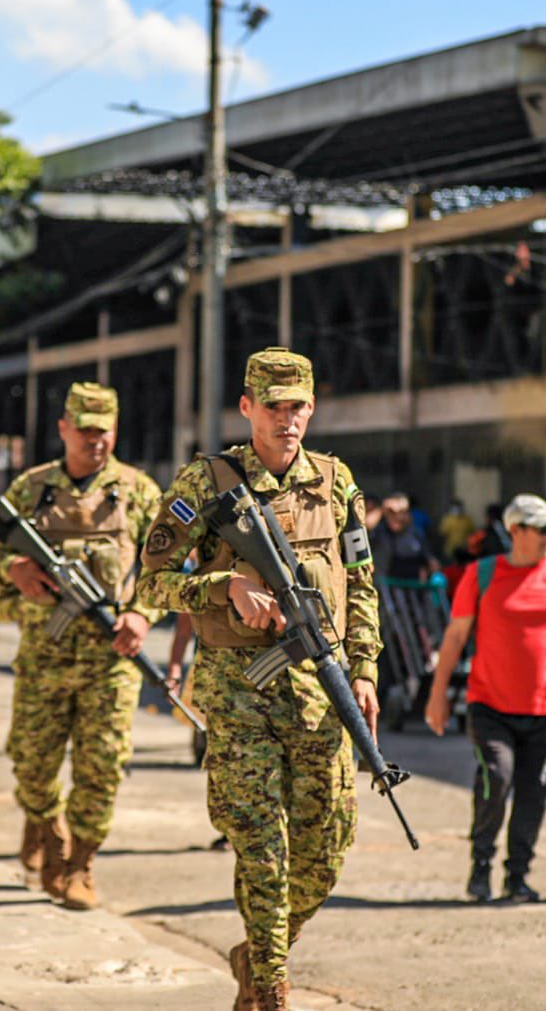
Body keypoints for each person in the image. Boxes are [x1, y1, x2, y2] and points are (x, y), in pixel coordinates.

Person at [137, 347, 380, 1011]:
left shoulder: (335, 481)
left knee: (324, 850)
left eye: (297, 404)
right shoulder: (205, 482)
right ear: (246, 408)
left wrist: (365, 670)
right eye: (273, 406)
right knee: (261, 849)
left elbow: (360, 581)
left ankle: (260, 947)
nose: (287, 418)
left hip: (320, 692)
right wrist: (225, 586)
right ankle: (269, 984)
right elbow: (152, 579)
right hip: (238, 690)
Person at [0, 382, 165, 912]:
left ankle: (81, 861)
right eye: (84, 430)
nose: (94, 441)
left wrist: (142, 613)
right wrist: (12, 568)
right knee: (31, 764)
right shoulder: (31, 488)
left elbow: (168, 565)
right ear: (63, 428)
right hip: (44, 653)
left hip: (112, 660)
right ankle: (44, 823)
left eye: (103, 431)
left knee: (103, 764)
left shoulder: (138, 491)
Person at [424, 494, 546, 905]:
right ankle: (481, 865)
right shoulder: (483, 574)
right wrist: (438, 696)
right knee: (497, 779)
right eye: (540, 529)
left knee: (534, 792)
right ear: (514, 531)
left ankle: (518, 875)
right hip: (491, 706)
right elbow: (454, 637)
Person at [370, 492, 436, 582]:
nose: (398, 517)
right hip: (383, 587)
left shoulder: (415, 533)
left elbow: (428, 557)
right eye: (393, 512)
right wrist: (381, 510)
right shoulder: (378, 531)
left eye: (403, 512)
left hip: (410, 590)